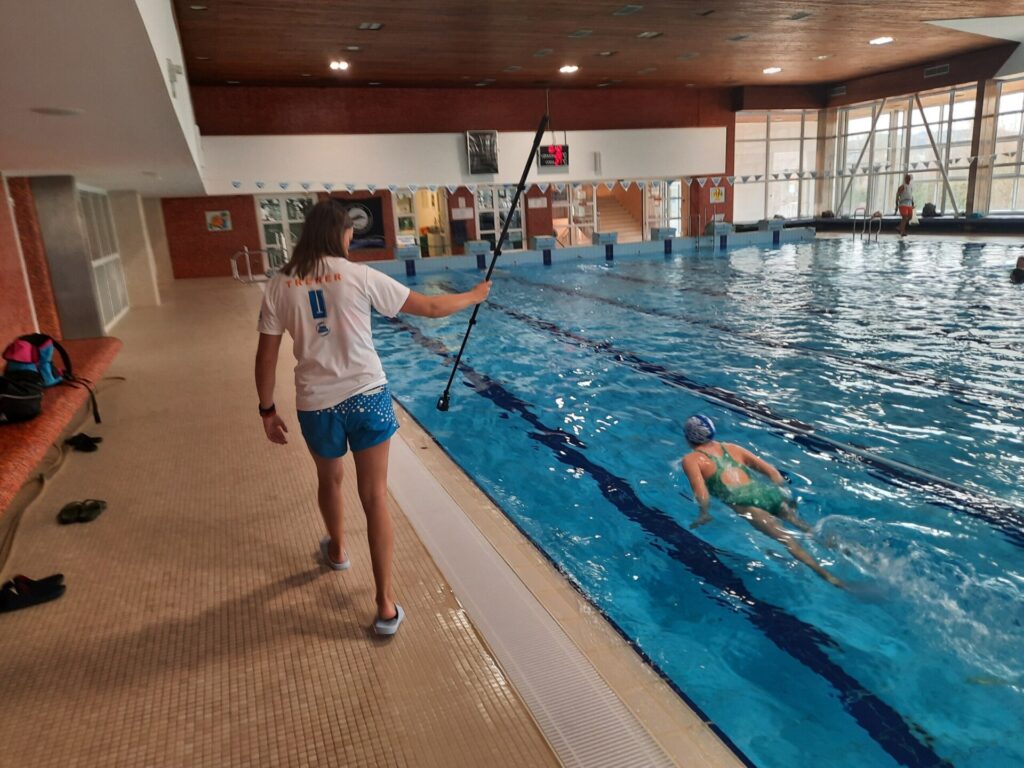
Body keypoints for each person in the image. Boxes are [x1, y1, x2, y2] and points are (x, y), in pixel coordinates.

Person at [254, 200, 491, 635]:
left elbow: (265, 356)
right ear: (340, 234)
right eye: (349, 233)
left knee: (330, 481)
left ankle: (338, 550)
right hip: (367, 396)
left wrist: (267, 409)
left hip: (316, 404)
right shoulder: (359, 276)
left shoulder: (278, 285)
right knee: (375, 496)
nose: (351, 240)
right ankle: (384, 604)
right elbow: (431, 309)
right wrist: (475, 295)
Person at [679, 414, 842, 587]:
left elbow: (701, 492)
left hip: (746, 503)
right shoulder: (732, 448)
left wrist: (703, 513)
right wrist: (785, 495)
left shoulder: (691, 460)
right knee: (802, 525)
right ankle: (837, 547)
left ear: (688, 437)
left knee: (786, 539)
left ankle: (828, 576)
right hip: (768, 493)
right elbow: (772, 472)